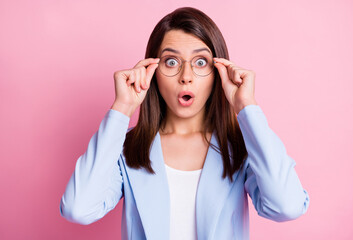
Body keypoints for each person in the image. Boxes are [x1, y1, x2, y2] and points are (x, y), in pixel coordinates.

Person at [60, 6, 310, 240]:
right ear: (152, 71)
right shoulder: (127, 148)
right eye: (171, 62)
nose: (186, 77)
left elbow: (286, 206)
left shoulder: (241, 147)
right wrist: (122, 107)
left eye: (201, 62)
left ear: (218, 73)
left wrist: (246, 107)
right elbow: (78, 208)